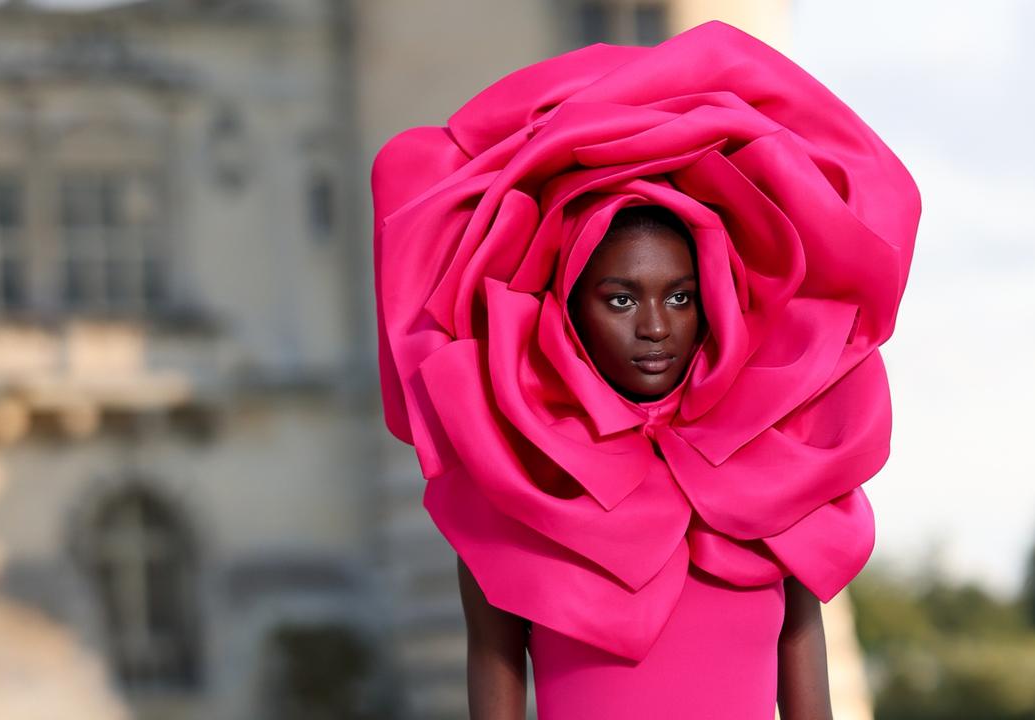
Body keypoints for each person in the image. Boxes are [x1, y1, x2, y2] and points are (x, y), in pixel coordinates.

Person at [371, 20, 920, 720]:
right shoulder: (513, 490)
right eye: (621, 298)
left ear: (717, 297)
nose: (656, 327)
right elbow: (495, 688)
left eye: (681, 296)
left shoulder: (781, 483)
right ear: (566, 306)